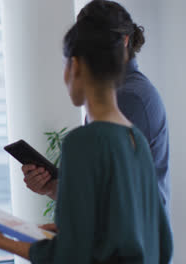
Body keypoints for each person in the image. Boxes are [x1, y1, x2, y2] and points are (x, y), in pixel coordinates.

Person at [0, 2, 173, 262]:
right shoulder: (135, 139)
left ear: (75, 66)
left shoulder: (83, 141)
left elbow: (69, 256)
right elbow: (153, 238)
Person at [23, 0, 171, 213]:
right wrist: (51, 188)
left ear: (123, 41)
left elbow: (117, 204)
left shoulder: (129, 98)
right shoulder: (110, 98)